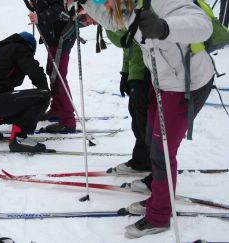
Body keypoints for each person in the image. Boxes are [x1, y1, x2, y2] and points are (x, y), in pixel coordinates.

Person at [80, 0, 215, 238]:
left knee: (162, 151)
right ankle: (159, 195)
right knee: (152, 142)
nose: (106, 3)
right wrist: (87, 4)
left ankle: (160, 216)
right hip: (162, 82)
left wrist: (163, 27)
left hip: (187, 84)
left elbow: (202, 25)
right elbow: (112, 20)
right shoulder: (131, 3)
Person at [0, 32, 51, 153]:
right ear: (30, 47)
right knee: (42, 96)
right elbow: (35, 71)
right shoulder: (19, 48)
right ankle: (19, 139)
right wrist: (45, 92)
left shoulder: (6, 52)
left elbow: (7, 93)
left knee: (21, 104)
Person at [104, 29, 151, 176]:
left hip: (145, 71)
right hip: (136, 71)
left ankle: (150, 162)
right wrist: (125, 72)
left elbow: (136, 44)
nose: (88, 23)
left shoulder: (114, 14)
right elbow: (127, 46)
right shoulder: (108, 19)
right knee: (137, 120)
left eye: (86, 18)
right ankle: (142, 159)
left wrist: (136, 76)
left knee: (143, 121)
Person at [28, 0, 77, 133]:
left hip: (62, 35)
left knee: (58, 76)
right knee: (52, 72)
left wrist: (40, 17)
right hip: (52, 36)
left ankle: (68, 121)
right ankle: (56, 109)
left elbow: (59, 9)